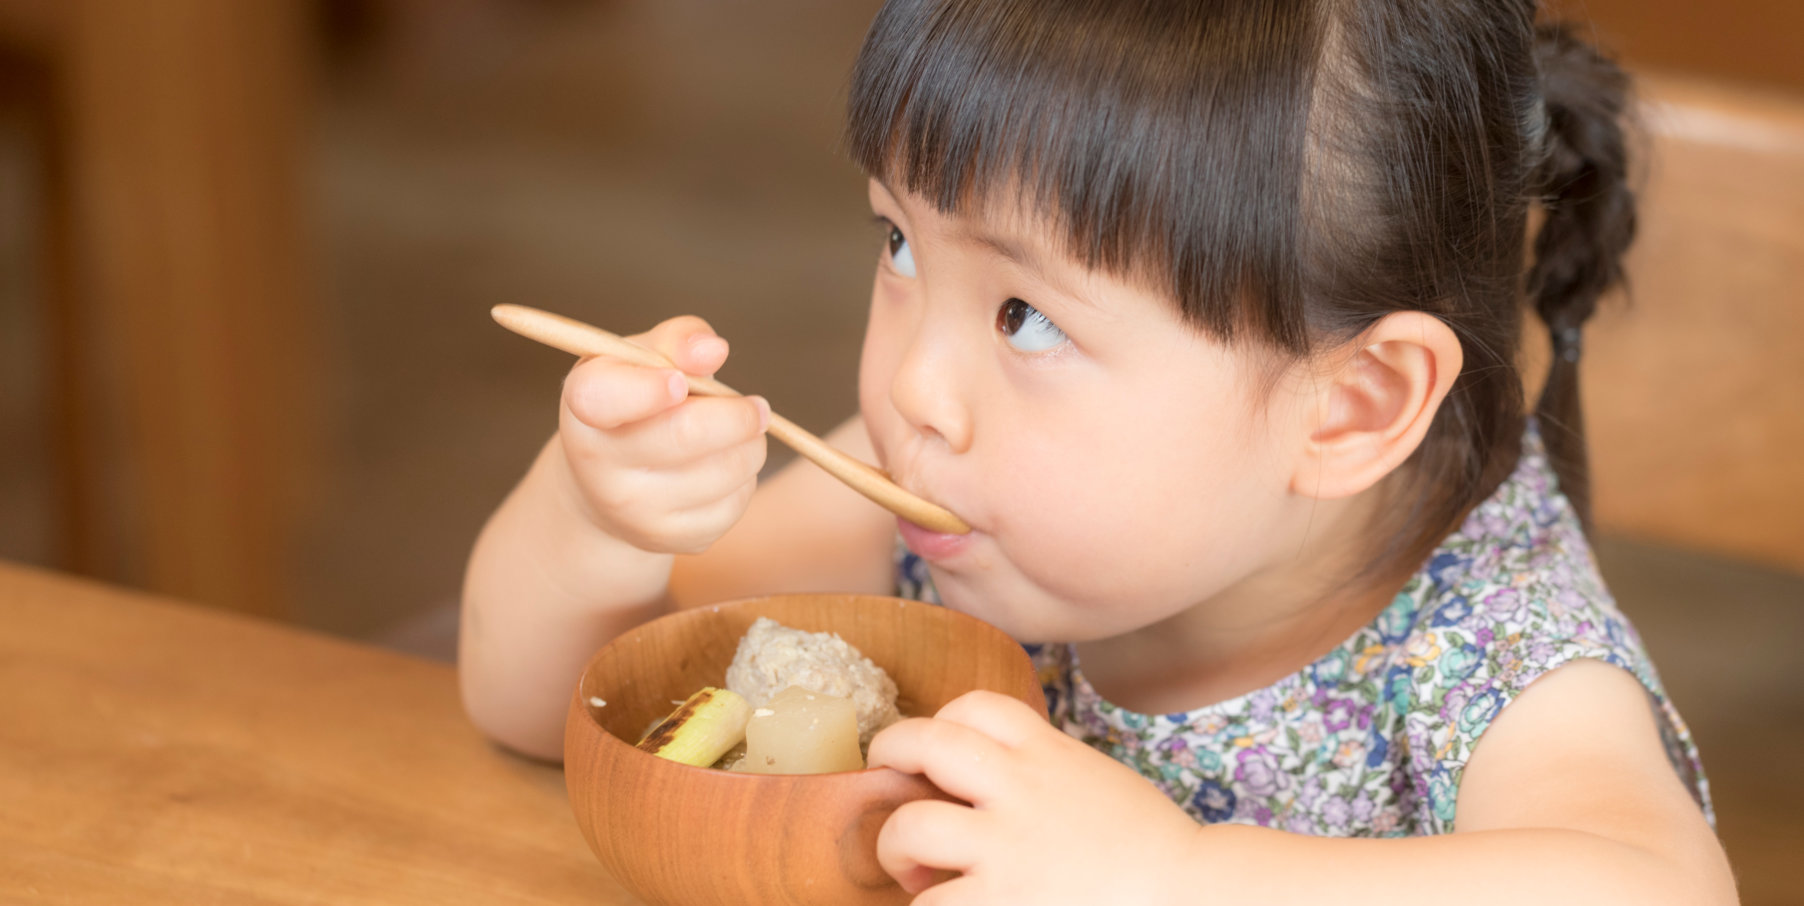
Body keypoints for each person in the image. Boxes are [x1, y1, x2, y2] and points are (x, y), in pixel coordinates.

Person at [460, 0, 1735, 902]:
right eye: (898, 245)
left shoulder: (1486, 645)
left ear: (1347, 408)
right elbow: (560, 713)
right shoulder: (940, 482)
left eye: (1026, 316)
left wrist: (1175, 879)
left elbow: (1655, 890)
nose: (915, 387)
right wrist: (599, 523)